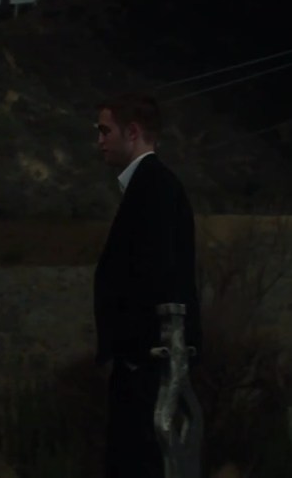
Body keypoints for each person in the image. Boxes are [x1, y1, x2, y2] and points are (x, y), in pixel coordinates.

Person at [92, 94, 201, 478]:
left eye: (105, 131)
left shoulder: (153, 186)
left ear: (132, 132)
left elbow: (156, 274)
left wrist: (135, 353)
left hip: (148, 366)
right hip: (146, 361)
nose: (99, 141)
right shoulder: (151, 185)